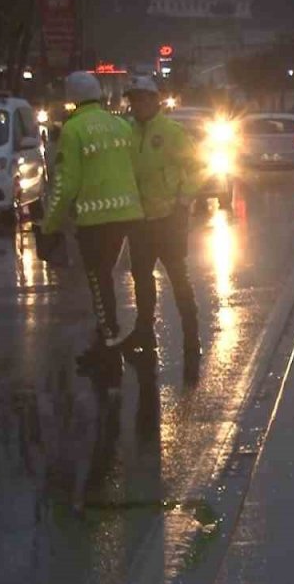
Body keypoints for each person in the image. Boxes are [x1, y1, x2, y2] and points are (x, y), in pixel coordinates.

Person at [42, 71, 145, 377]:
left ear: (72, 98)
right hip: (128, 214)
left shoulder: (73, 131)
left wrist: (51, 224)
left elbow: (65, 184)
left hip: (94, 218)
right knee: (108, 277)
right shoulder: (120, 124)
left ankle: (109, 346)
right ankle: (112, 338)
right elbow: (136, 167)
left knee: (99, 281)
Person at [122, 76, 203, 359]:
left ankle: (191, 337)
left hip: (169, 217)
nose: (138, 104)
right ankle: (144, 333)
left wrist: (183, 200)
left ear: (155, 100)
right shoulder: (127, 131)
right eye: (133, 99)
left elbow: (197, 168)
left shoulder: (172, 131)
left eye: (143, 98)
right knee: (142, 278)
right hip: (139, 220)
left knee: (178, 277)